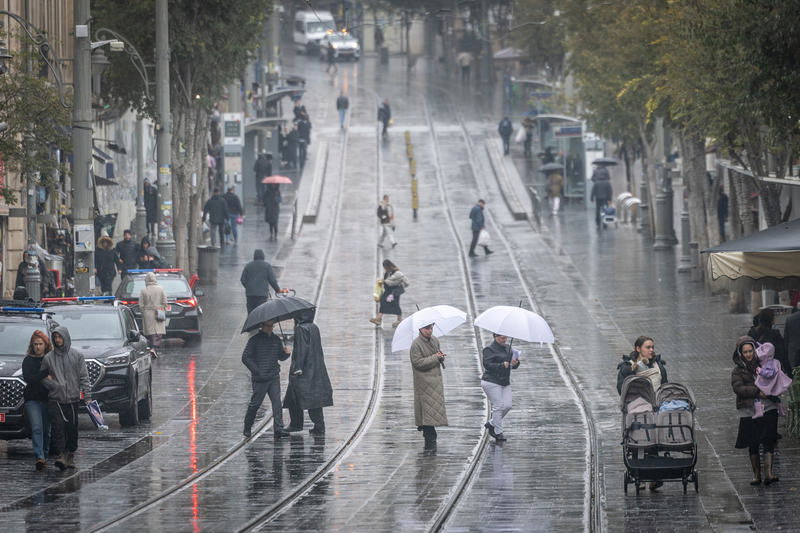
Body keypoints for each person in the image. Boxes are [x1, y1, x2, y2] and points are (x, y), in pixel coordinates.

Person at [732, 336, 780, 486]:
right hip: (749, 409)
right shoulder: (737, 370)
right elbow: (738, 388)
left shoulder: (765, 363)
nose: (748, 354)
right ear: (740, 353)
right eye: (745, 352)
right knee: (753, 442)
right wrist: (757, 391)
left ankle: (769, 474)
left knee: (768, 439)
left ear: (754, 350)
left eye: (750, 351)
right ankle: (756, 475)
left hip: (768, 406)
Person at [41, 326, 90, 471]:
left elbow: (84, 377)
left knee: (72, 429)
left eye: (60, 337)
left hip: (73, 399)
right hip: (55, 399)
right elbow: (42, 377)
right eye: (55, 337)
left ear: (65, 337)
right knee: (58, 428)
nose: (57, 340)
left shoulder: (77, 356)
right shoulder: (48, 358)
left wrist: (87, 397)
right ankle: (60, 455)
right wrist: (54, 385)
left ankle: (70, 455)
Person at [284, 308, 333, 435]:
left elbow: (301, 349)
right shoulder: (314, 327)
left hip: (304, 370)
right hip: (316, 368)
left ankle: (296, 424)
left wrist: (297, 367)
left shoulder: (300, 329)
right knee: (314, 398)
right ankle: (319, 424)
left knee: (295, 397)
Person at [242, 321, 291, 438]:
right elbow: (245, 357)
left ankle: (279, 428)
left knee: (277, 403)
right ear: (262, 326)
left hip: (273, 376)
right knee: (255, 404)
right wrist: (257, 371)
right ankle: (247, 427)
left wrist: (286, 353)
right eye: (268, 326)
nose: (270, 329)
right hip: (260, 379)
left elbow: (280, 357)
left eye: (272, 326)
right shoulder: (254, 340)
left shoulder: (276, 340)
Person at [410, 324, 448, 448]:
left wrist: (440, 357)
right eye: (427, 329)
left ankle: (429, 433)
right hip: (424, 382)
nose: (429, 331)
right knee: (427, 409)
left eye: (431, 328)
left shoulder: (435, 340)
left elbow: (436, 357)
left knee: (433, 409)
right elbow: (417, 363)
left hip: (435, 382)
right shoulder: (416, 344)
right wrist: (435, 358)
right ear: (420, 329)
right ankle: (429, 434)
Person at [481, 333, 520, 442]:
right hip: (491, 382)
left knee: (507, 405)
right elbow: (487, 365)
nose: (504, 340)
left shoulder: (508, 348)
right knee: (498, 406)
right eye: (502, 338)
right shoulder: (489, 349)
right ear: (495, 337)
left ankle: (491, 423)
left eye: (505, 337)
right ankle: (498, 432)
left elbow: (514, 365)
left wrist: (515, 363)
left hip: (504, 382)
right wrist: (502, 365)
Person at [23, 330, 52, 471]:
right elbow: (30, 378)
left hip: (48, 398)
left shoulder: (50, 359)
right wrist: (45, 374)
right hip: (32, 398)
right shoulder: (28, 360)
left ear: (45, 345)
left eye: (40, 344)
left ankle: (45, 455)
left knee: (47, 430)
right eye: (35, 344)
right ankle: (39, 456)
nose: (38, 347)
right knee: (37, 428)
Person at [748, 308, 790, 374]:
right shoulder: (775, 335)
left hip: (755, 369)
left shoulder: (751, 333)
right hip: (771, 371)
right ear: (771, 320)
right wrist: (788, 371)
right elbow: (782, 354)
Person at [370, 259, 409, 327]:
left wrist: (384, 281)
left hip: (394, 291)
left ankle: (399, 320)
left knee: (395, 305)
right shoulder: (388, 272)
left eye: (385, 266)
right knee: (383, 301)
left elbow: (391, 280)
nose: (384, 268)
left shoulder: (397, 273)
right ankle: (379, 319)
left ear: (388, 266)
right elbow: (388, 280)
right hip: (388, 291)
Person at [240, 249, 281, 313]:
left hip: (250, 295)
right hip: (262, 295)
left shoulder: (248, 266)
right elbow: (272, 280)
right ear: (263, 256)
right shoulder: (267, 266)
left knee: (251, 313)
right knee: (261, 313)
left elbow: (243, 280)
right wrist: (277, 290)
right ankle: (260, 323)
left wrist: (249, 287)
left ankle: (252, 323)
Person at [139, 272, 167, 348]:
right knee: (158, 331)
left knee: (150, 332)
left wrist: (143, 312)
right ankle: (156, 346)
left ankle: (152, 346)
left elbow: (141, 305)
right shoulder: (160, 289)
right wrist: (163, 310)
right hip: (159, 311)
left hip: (148, 313)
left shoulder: (143, 290)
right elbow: (165, 302)